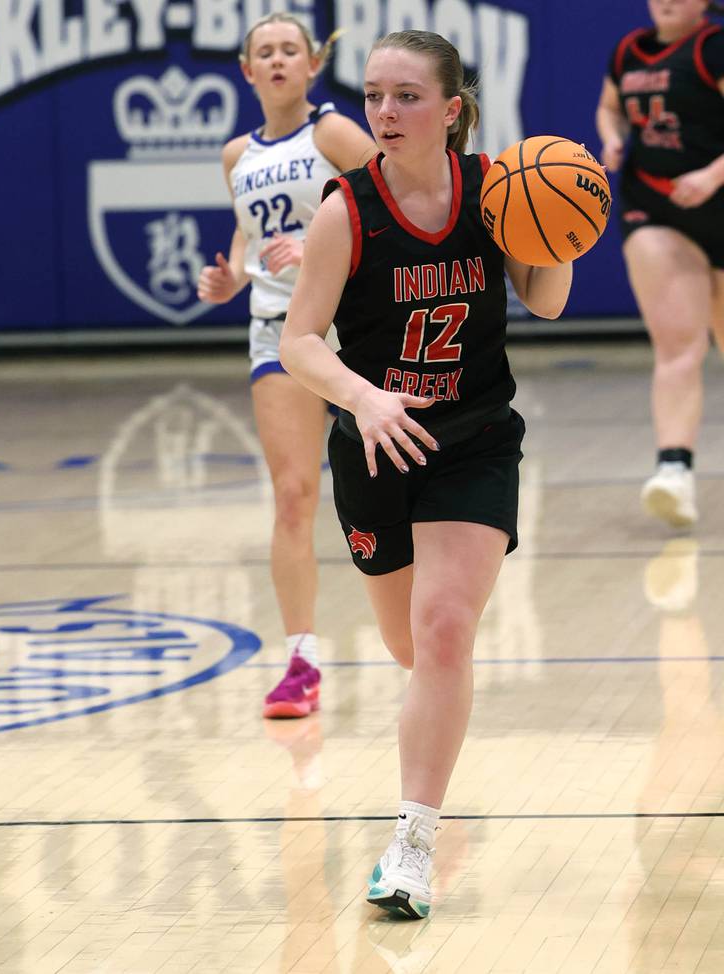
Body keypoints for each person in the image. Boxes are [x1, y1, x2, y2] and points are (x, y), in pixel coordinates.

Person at [280, 29, 574, 918]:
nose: (384, 112)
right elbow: (298, 343)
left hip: (475, 437)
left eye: (406, 96)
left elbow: (550, 299)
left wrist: (564, 218)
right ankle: (431, 765)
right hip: (374, 446)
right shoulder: (347, 209)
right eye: (373, 95)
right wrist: (364, 398)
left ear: (452, 110)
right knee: (413, 649)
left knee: (444, 632)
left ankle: (410, 842)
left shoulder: (494, 193)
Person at [197, 14, 376, 719]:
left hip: (356, 327)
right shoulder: (235, 154)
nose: (276, 60)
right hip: (277, 331)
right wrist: (233, 277)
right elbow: (252, 234)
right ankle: (301, 658)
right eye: (263, 52)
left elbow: (388, 200)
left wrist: (321, 249)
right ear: (247, 70)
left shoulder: (332, 134)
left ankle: (427, 628)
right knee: (295, 493)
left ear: (311, 65)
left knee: (393, 484)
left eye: (288, 50)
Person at [596, 0, 724, 527]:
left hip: (715, 194)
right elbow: (609, 107)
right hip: (655, 204)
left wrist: (714, 175)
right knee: (678, 345)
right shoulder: (629, 50)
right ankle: (673, 470)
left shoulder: (712, 47)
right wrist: (611, 138)